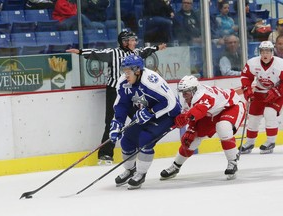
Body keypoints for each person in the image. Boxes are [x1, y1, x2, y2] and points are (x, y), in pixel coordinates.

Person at [66, 31, 167, 165]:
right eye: (131, 40)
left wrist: (157, 48)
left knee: (139, 118)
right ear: (124, 42)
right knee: (113, 121)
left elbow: (146, 51)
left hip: (133, 91)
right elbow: (97, 53)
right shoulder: (113, 53)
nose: (134, 42)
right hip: (115, 91)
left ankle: (140, 146)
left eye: (134, 40)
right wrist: (79, 51)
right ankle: (105, 154)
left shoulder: (136, 53)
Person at [110, 55, 181, 189]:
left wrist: (151, 112)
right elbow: (121, 105)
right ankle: (130, 170)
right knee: (127, 139)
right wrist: (117, 123)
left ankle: (141, 174)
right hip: (146, 112)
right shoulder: (123, 82)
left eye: (128, 72)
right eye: (124, 71)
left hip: (167, 114)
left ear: (137, 71)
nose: (125, 75)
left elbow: (170, 102)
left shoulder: (151, 81)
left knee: (145, 139)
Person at [160, 75, 246, 180]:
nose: (184, 95)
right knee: (190, 140)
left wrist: (186, 117)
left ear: (194, 89)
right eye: (182, 92)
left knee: (223, 127)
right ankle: (175, 166)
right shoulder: (189, 100)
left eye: (186, 92)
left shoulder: (204, 95)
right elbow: (194, 116)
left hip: (230, 107)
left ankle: (232, 162)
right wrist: (191, 129)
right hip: (210, 113)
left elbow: (200, 110)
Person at [239, 41, 283, 154]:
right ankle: (249, 142)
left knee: (269, 113)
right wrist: (247, 90)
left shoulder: (280, 64)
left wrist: (276, 91)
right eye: (263, 51)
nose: (265, 54)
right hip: (259, 92)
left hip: (276, 93)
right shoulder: (252, 63)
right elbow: (246, 77)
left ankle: (270, 142)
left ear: (272, 52)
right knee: (253, 117)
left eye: (268, 51)